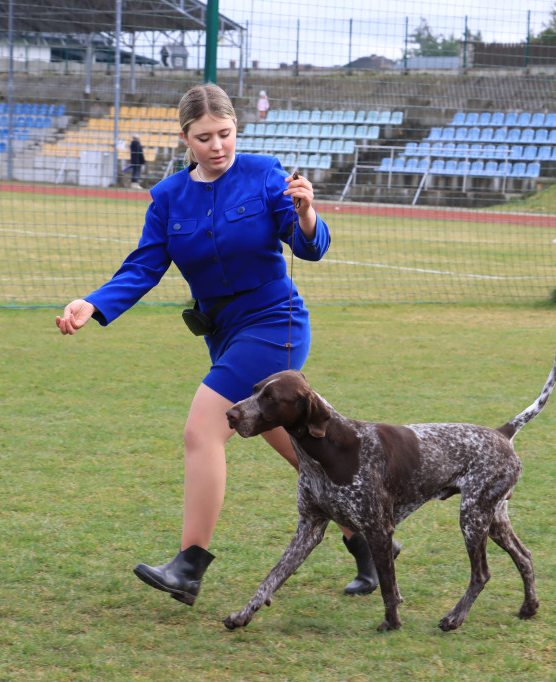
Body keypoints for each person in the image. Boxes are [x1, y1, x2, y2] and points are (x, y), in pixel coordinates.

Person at [58, 83, 387, 607]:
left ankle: (189, 566)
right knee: (307, 451)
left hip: (274, 324)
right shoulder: (167, 197)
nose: (218, 146)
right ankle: (368, 542)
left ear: (237, 129)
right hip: (224, 334)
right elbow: (144, 266)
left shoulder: (263, 174)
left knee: (201, 430)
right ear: (184, 137)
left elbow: (309, 246)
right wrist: (92, 304)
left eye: (226, 134)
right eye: (205, 137)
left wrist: (305, 214)